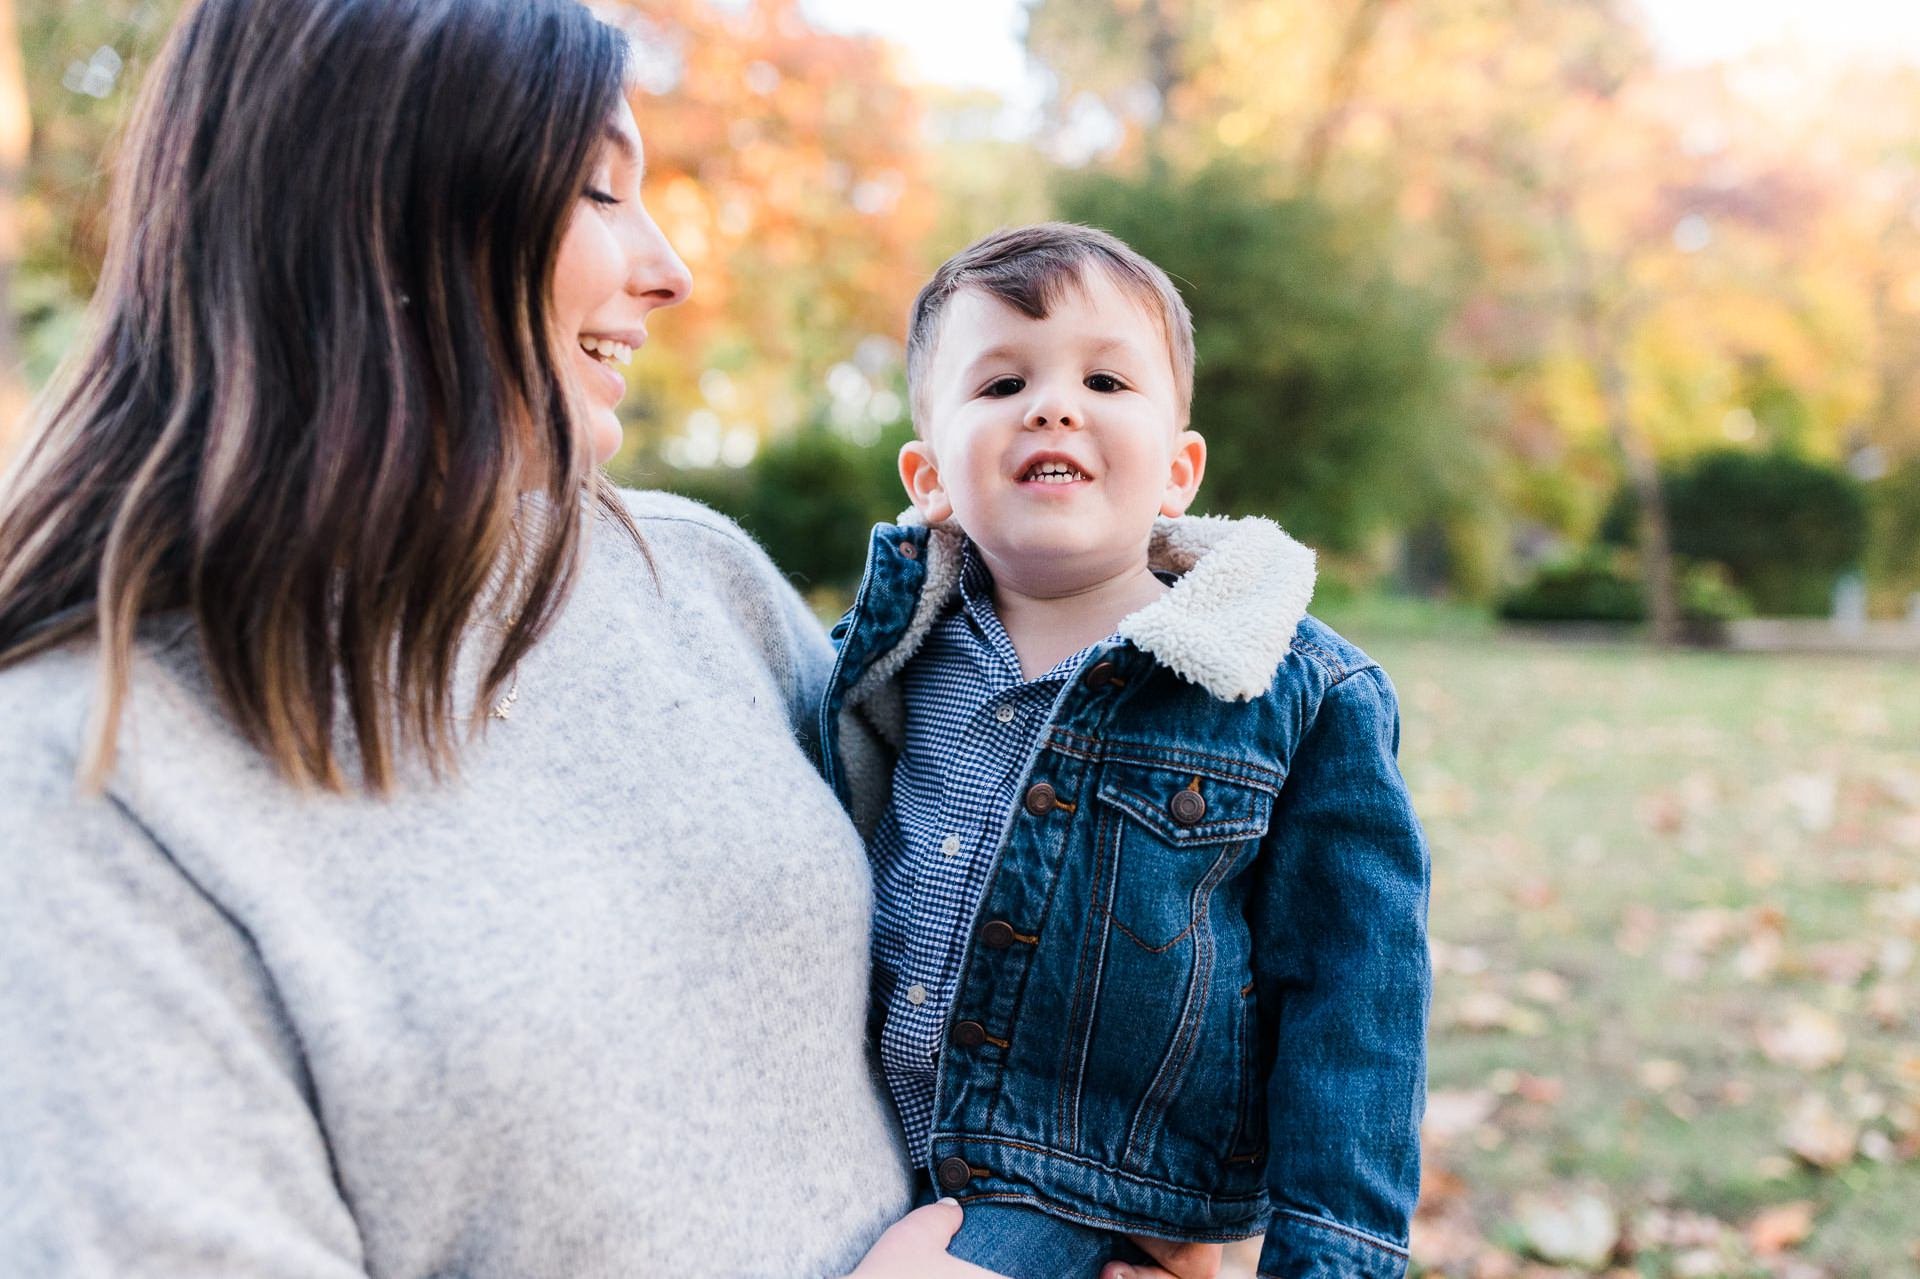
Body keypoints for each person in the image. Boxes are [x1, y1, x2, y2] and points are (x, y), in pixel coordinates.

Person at [0, 2, 1047, 1276]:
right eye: (601, 191)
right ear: (382, 210)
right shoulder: (88, 767)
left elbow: (987, 932)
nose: (671, 270)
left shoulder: (692, 580)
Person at [815, 224, 1431, 1279]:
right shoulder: (882, 660)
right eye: (1002, 382)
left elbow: (1355, 996)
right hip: (869, 1146)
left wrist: (1330, 1259)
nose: (1054, 405)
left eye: (1105, 377)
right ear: (929, 478)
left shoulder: (1290, 691)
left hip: (1098, 1185)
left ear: (1180, 471)